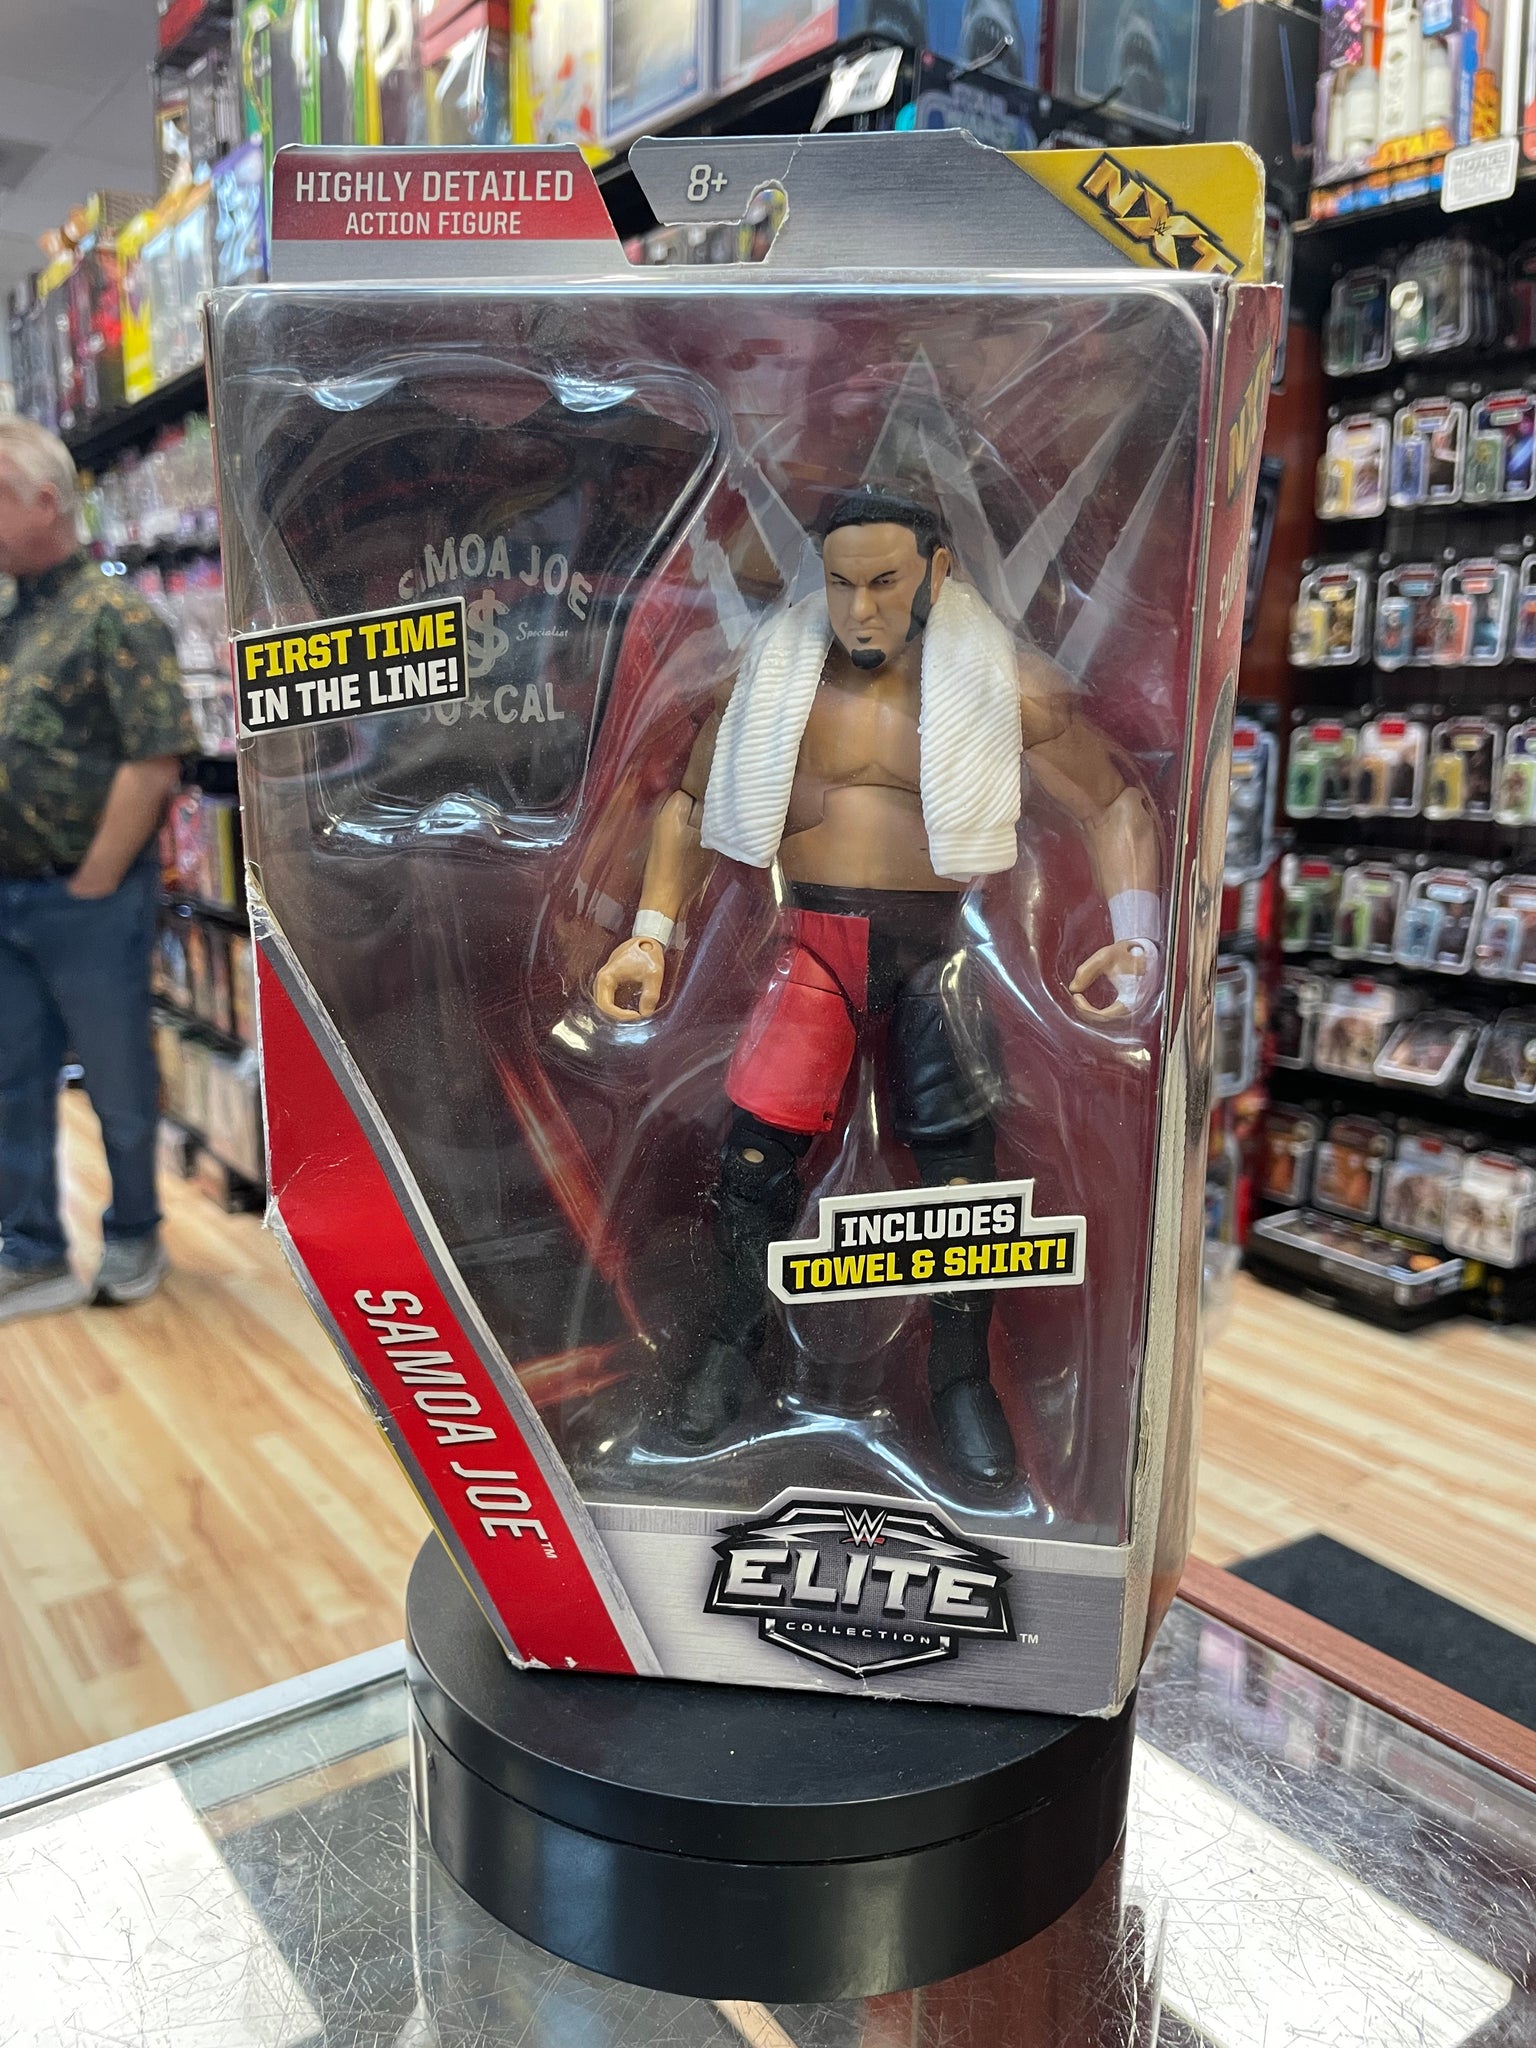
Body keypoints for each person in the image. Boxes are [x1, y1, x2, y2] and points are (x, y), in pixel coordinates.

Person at [593, 485, 1162, 1492]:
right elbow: (686, 802)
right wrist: (650, 934)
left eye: (885, 581)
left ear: (937, 573)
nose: (860, 608)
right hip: (813, 942)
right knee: (754, 1162)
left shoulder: (1000, 681)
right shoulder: (774, 681)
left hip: (937, 950)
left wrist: (1138, 936)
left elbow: (1114, 798)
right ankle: (731, 1348)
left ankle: (960, 1381)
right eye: (842, 582)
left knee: (964, 1181)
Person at [0, 417, 194, 1322]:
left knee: (116, 1079)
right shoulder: (13, 621)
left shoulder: (117, 616)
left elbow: (155, 760)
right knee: (13, 1079)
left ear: (45, 502)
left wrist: (95, 879)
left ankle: (135, 1231)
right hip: (10, 893)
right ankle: (31, 1248)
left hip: (86, 898)